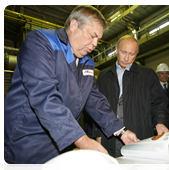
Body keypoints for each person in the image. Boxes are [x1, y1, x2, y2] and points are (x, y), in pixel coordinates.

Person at [4, 6, 139, 170]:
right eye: (92, 36)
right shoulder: (41, 43)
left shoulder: (86, 62)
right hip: (28, 145)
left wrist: (121, 131)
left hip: (61, 146)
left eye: (98, 39)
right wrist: (82, 140)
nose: (95, 44)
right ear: (74, 25)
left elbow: (94, 100)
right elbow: (44, 97)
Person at [93, 35, 169, 158]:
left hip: (139, 135)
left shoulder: (147, 74)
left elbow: (159, 101)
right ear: (116, 49)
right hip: (110, 137)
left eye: (132, 54)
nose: (127, 58)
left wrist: (160, 122)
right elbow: (96, 108)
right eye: (123, 52)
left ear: (137, 54)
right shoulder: (104, 76)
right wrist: (98, 136)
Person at [156, 63, 169, 130]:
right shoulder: (154, 89)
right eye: (162, 73)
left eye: (166, 73)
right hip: (163, 121)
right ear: (158, 75)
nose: (165, 75)